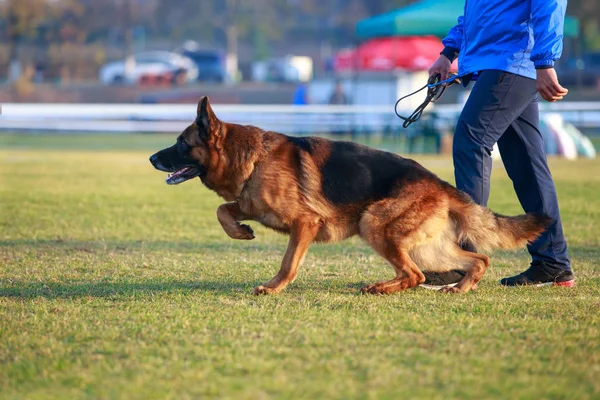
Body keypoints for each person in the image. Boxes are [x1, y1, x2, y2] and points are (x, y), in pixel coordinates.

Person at [423, 0, 575, 288]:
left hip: (513, 60)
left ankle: (460, 262)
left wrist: (545, 61)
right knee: (526, 166)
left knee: (471, 142)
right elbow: (479, 11)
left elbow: (550, 3)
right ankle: (553, 262)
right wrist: (448, 52)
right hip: (502, 60)